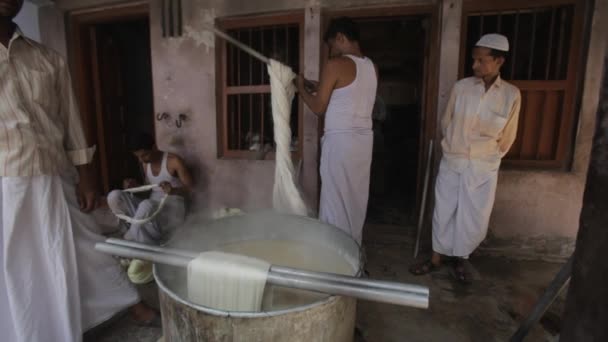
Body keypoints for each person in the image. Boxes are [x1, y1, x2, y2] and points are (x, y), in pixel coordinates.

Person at [0, 1, 155, 341]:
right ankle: (37, 331)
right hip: (7, 183)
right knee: (19, 267)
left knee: (86, 246)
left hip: (56, 174)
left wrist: (87, 176)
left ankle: (132, 304)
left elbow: (71, 121)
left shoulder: (47, 58)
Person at [409, 33, 521, 283]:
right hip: (454, 160)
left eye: (481, 61)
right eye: (474, 60)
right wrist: (452, 147)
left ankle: (461, 259)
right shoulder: (462, 87)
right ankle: (436, 258)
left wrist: (490, 158)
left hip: (484, 166)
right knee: (444, 210)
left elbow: (508, 136)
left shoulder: (511, 95)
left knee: (473, 216)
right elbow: (445, 121)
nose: (475, 66)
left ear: (499, 61)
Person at [295, 17, 378, 244]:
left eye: (332, 45)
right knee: (354, 198)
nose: (332, 52)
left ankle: (336, 254)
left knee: (334, 199)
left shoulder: (335, 65)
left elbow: (318, 108)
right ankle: (354, 249)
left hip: (340, 143)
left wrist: (302, 90)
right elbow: (346, 92)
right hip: (362, 143)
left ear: (341, 38)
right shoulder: (371, 67)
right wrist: (317, 85)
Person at [107, 132, 193, 245]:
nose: (142, 160)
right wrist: (136, 187)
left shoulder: (174, 161)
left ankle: (135, 239)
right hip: (151, 210)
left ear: (154, 147)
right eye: (138, 157)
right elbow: (150, 189)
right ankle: (133, 231)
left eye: (144, 155)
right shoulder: (145, 163)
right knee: (114, 196)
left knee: (146, 205)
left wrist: (173, 190)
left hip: (172, 213)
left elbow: (191, 189)